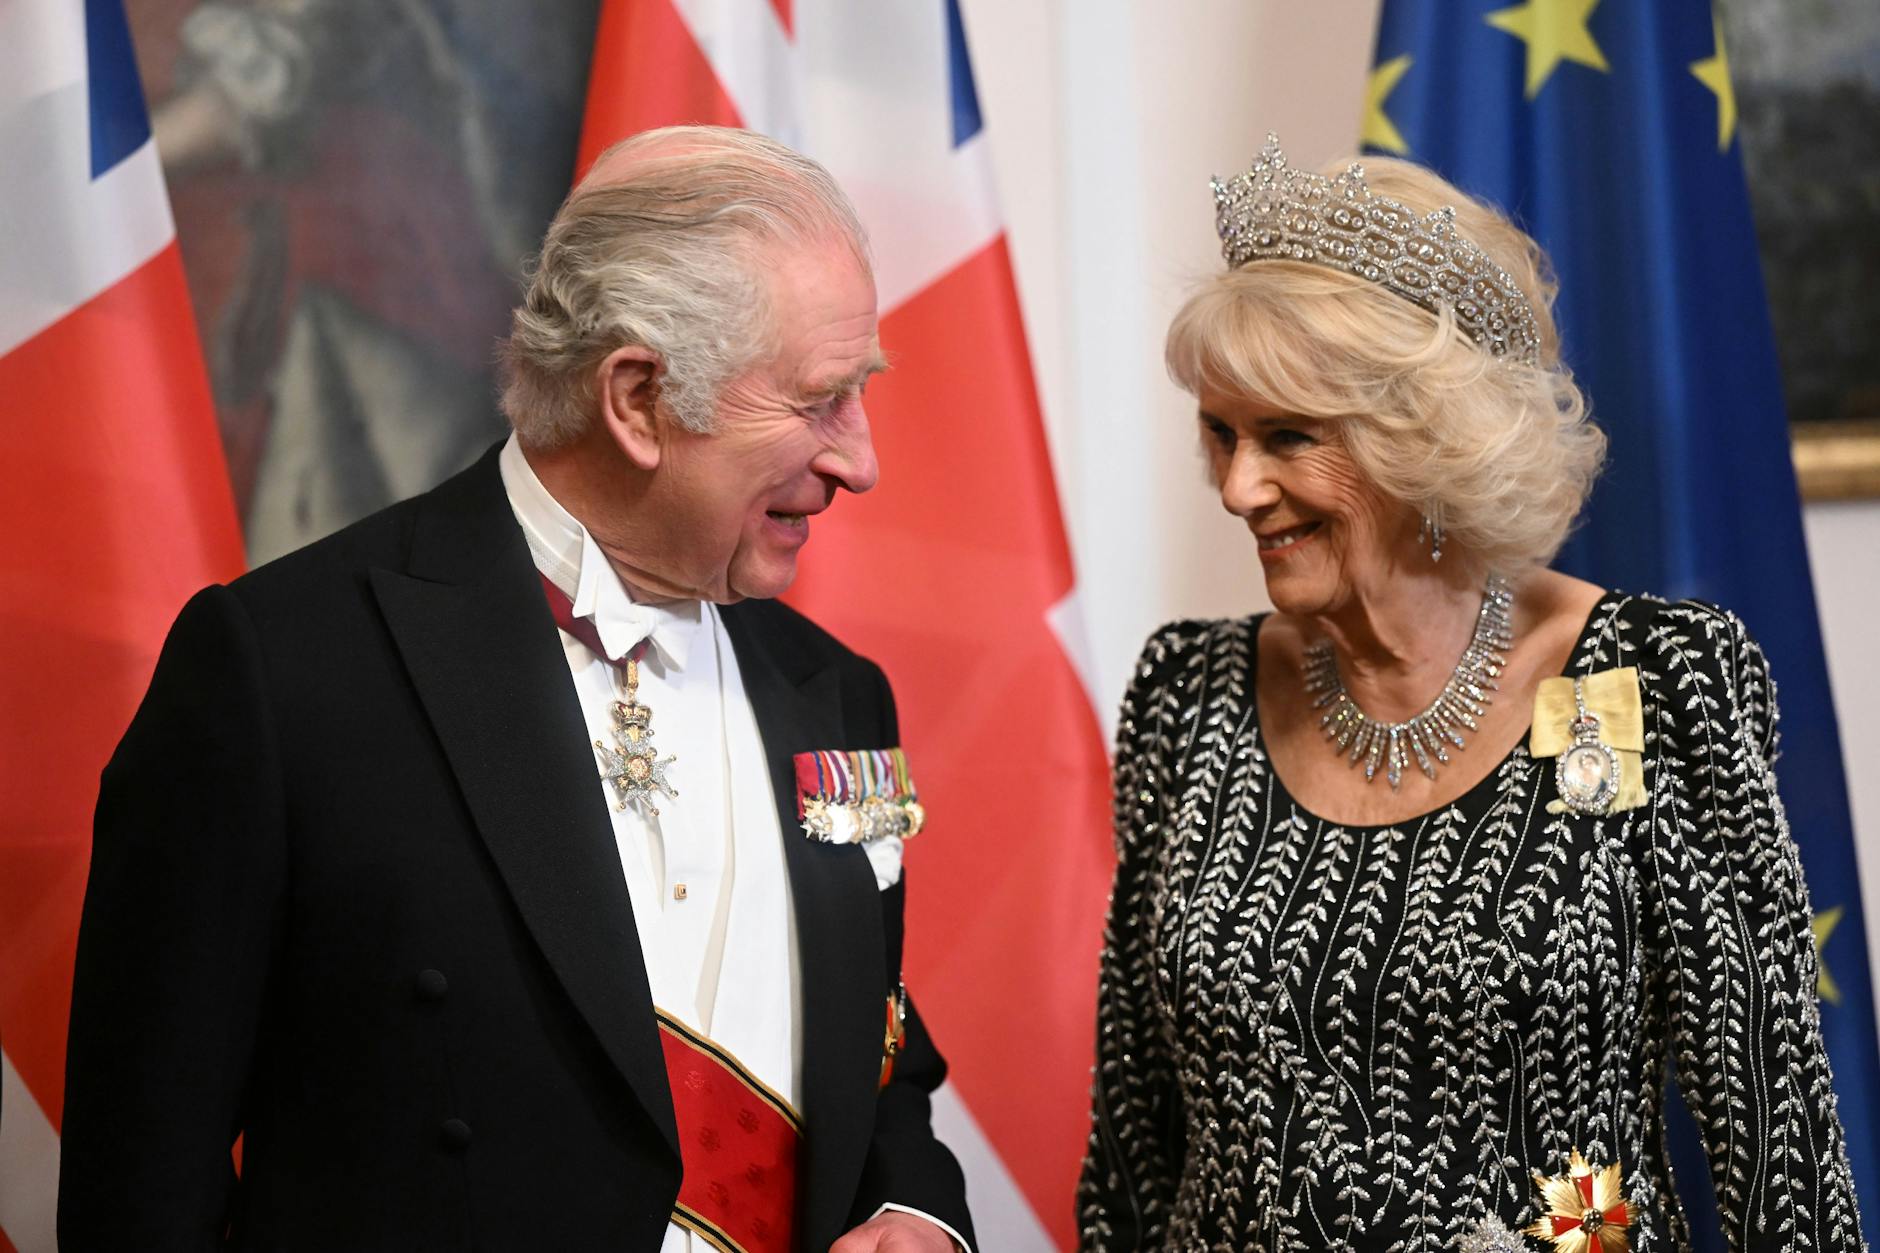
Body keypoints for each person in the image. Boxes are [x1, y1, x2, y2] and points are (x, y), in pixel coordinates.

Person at [60, 126, 973, 1253]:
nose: (860, 459)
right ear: (635, 398)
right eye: (820, 400)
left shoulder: (835, 693)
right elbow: (140, 1191)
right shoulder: (282, 672)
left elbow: (877, 1054)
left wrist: (912, 1203)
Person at [1076, 136, 1863, 1252]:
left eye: (1288, 436)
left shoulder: (1648, 677)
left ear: (1423, 443)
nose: (1239, 487)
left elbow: (1776, 1151)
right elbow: (1133, 1145)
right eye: (1220, 434)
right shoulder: (1185, 692)